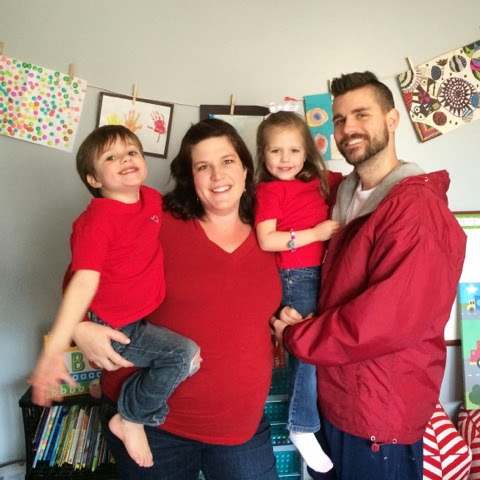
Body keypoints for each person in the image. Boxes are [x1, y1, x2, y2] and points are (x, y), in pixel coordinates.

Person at [271, 71, 467, 480]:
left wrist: (297, 336)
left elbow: (387, 321)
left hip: (378, 412)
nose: (349, 129)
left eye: (362, 114)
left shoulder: (415, 210)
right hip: (339, 398)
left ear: (392, 120)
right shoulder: (343, 196)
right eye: (340, 120)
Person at [71, 118, 283, 480]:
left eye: (227, 161)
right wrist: (79, 327)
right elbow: (84, 271)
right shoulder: (158, 221)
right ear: (190, 177)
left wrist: (290, 320)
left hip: (241, 425)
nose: (217, 175)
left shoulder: (272, 233)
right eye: (203, 166)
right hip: (152, 426)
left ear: (246, 168)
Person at [28, 125, 201, 468]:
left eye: (132, 152)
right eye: (111, 157)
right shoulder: (96, 222)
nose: (125, 159)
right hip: (116, 326)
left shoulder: (151, 199)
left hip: (140, 316)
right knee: (184, 356)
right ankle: (131, 417)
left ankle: (103, 386)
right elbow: (82, 281)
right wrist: (56, 347)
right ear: (94, 179)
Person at [254, 111, 341, 473]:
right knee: (307, 349)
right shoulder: (269, 190)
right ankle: (302, 425)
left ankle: (312, 421)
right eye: (276, 151)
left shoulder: (320, 181)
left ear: (306, 152)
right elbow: (266, 238)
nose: (285, 158)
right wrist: (316, 234)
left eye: (293, 150)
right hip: (295, 276)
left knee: (322, 346)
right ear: (263, 155)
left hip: (324, 274)